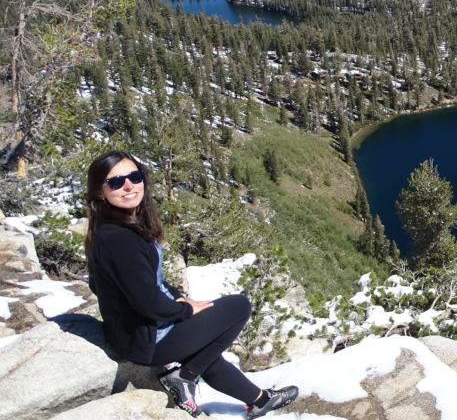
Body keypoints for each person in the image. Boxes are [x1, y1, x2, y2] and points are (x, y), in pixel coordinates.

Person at [86, 150, 298, 418]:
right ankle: (184, 376)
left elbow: (105, 284)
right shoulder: (120, 238)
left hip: (136, 335)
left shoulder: (109, 229)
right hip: (148, 341)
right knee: (238, 306)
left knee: (206, 353)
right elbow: (146, 302)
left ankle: (259, 400)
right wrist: (184, 310)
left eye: (134, 176)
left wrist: (172, 297)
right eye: (115, 182)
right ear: (100, 192)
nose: (128, 185)